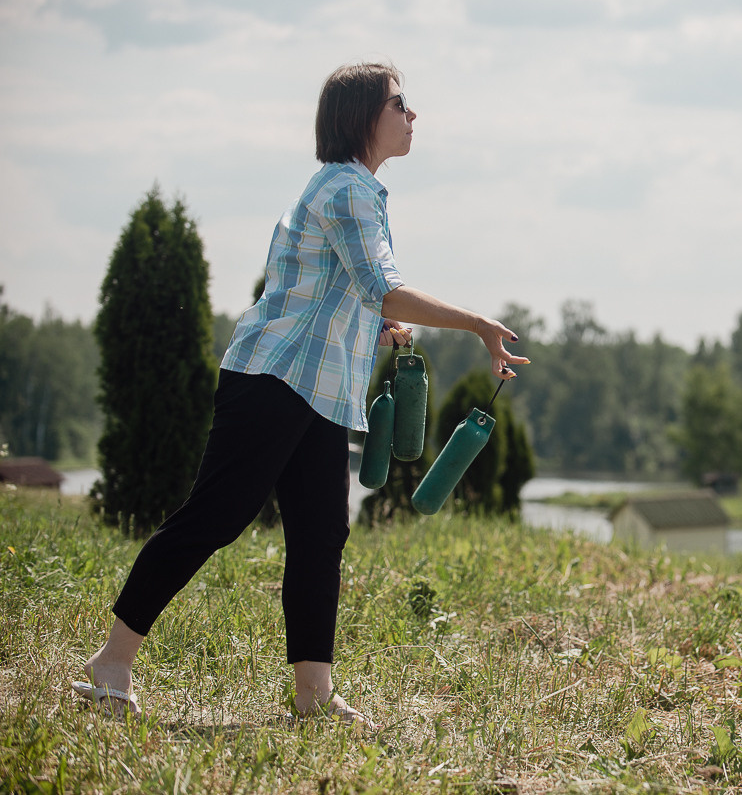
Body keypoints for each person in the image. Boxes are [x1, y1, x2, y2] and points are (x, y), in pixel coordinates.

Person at [72, 60, 527, 728]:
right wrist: (477, 323)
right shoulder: (346, 191)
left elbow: (348, 290)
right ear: (363, 117)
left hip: (317, 392)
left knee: (320, 535)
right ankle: (110, 664)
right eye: (400, 104)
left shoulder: (357, 191)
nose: (412, 115)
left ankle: (313, 694)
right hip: (273, 380)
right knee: (216, 517)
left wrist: (384, 324)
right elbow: (380, 283)